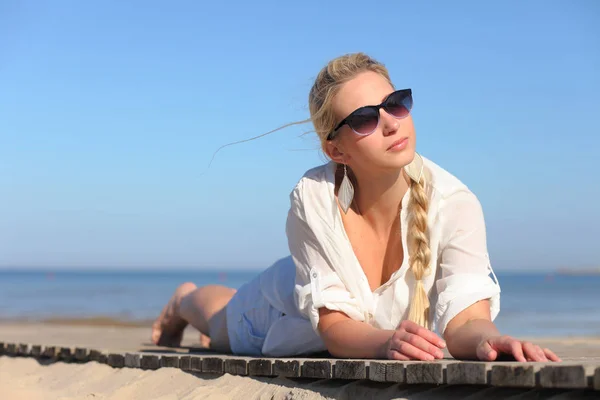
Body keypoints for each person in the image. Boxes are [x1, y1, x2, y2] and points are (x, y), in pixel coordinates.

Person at [151, 52, 560, 362]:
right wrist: (388, 342)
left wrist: (489, 342)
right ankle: (183, 300)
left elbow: (467, 318)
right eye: (365, 118)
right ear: (336, 149)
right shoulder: (313, 196)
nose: (391, 123)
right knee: (221, 323)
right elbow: (333, 327)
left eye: (396, 103)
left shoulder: (455, 203)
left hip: (349, 329)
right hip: (283, 310)